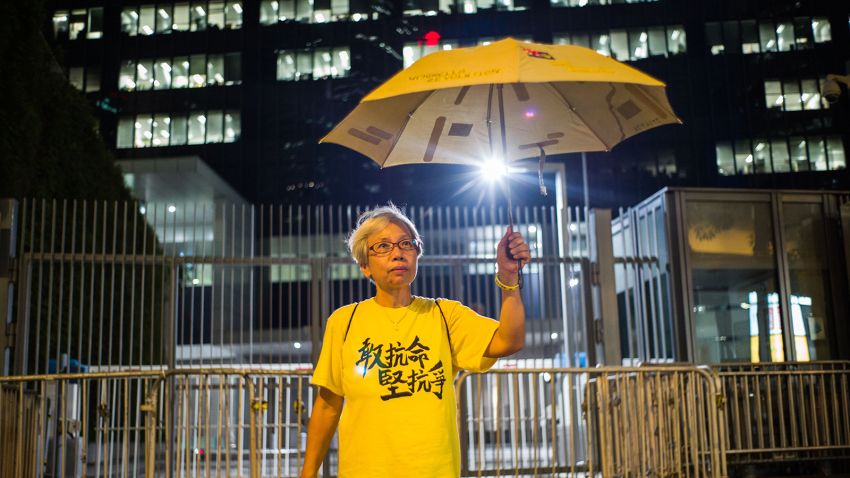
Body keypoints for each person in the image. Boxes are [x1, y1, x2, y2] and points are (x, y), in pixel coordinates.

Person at [300, 204, 530, 478]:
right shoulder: (345, 321)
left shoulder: (445, 315)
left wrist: (508, 277)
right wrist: (308, 473)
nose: (398, 253)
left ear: (417, 254)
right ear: (365, 266)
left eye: (406, 244)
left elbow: (509, 341)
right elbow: (327, 405)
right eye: (383, 246)